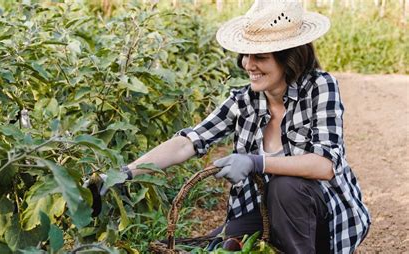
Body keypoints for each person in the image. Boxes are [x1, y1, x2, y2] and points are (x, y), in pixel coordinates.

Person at [101, 0, 371, 253]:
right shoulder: (244, 100)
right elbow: (188, 141)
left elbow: (324, 166)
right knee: (216, 247)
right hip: (268, 213)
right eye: (245, 55)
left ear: (290, 58)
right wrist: (125, 173)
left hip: (323, 217)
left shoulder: (319, 87)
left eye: (260, 57)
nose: (248, 64)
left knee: (285, 186)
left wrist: (256, 162)